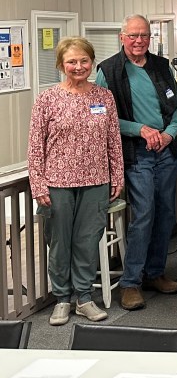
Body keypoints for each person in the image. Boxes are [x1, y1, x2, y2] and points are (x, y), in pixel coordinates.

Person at [29, 37, 124, 326]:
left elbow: (113, 140)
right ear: (61, 65)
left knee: (87, 241)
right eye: (72, 61)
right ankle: (62, 299)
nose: (78, 66)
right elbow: (35, 146)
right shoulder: (47, 99)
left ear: (92, 63)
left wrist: (117, 175)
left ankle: (83, 298)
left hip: (96, 180)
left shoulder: (104, 97)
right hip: (57, 182)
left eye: (84, 61)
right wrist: (38, 184)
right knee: (59, 243)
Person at [97, 14, 177, 312]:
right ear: (122, 37)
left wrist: (170, 134)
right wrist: (140, 129)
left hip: (166, 151)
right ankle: (130, 282)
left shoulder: (161, 66)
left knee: (166, 213)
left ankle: (154, 273)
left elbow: (175, 107)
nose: (138, 41)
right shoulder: (108, 70)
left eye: (144, 35)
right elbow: (104, 117)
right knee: (144, 214)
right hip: (136, 154)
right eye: (133, 35)